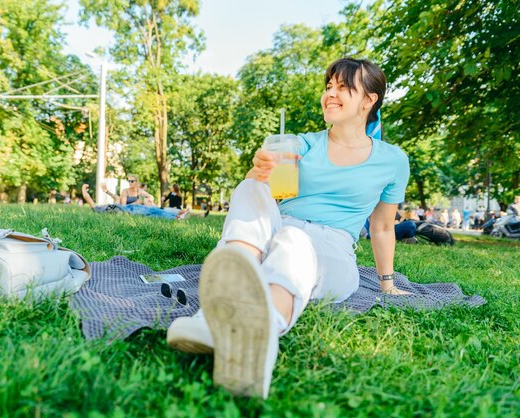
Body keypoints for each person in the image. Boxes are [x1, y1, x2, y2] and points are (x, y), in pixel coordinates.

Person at [166, 57, 411, 399]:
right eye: (328, 87)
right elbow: (263, 187)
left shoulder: (393, 160)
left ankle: (260, 331)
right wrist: (258, 170)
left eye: (343, 87)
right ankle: (216, 313)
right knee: (249, 189)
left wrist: (387, 285)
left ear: (369, 100)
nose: (330, 94)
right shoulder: (301, 143)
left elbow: (382, 226)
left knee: (294, 240)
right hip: (275, 231)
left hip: (331, 249)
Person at [81, 184, 190, 220]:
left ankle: (177, 215)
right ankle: (176, 217)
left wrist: (107, 191)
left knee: (153, 210)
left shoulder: (108, 207)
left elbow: (116, 198)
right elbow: (87, 197)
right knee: (152, 212)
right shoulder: (97, 209)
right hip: (129, 211)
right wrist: (83, 189)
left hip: (128, 209)